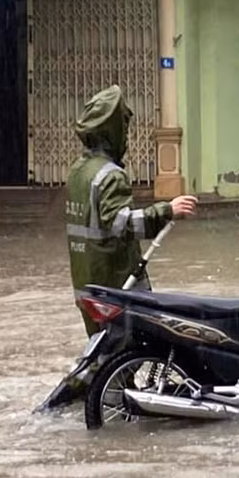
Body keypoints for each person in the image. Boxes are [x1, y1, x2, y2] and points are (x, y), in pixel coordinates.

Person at [67, 85, 198, 337]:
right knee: (137, 348)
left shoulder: (78, 172)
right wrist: (168, 210)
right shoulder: (110, 175)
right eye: (123, 128)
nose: (126, 135)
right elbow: (124, 225)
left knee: (106, 358)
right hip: (115, 286)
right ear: (112, 131)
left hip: (87, 285)